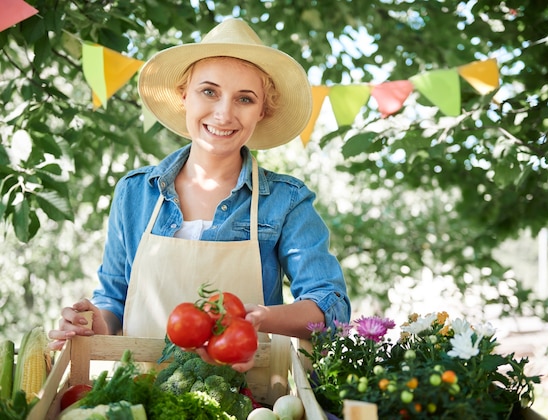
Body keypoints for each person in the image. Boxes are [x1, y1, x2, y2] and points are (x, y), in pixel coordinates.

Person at [48, 18, 351, 372]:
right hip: (140, 394)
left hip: (248, 397)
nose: (224, 113)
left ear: (262, 111)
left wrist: (260, 317)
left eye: (245, 99)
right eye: (209, 91)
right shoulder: (135, 193)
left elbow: (331, 308)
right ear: (183, 96)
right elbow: (114, 300)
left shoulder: (286, 200)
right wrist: (94, 321)